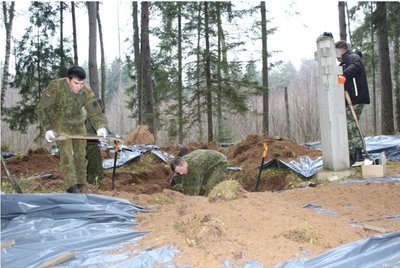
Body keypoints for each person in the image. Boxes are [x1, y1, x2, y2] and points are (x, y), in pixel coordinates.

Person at [37, 65, 114, 193]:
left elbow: (95, 111)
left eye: (82, 83)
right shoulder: (55, 86)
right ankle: (71, 186)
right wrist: (48, 128)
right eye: (76, 83)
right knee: (67, 155)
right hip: (60, 123)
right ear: (68, 80)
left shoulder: (86, 91)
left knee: (81, 155)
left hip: (78, 124)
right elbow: (42, 108)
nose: (79, 87)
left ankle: (81, 183)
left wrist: (101, 127)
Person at [335, 40, 370, 165]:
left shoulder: (353, 57)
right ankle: (353, 153)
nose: (335, 55)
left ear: (342, 49)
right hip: (350, 99)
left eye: (336, 52)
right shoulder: (344, 62)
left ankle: (358, 153)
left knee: (351, 125)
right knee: (349, 125)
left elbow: (355, 67)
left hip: (356, 98)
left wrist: (342, 75)